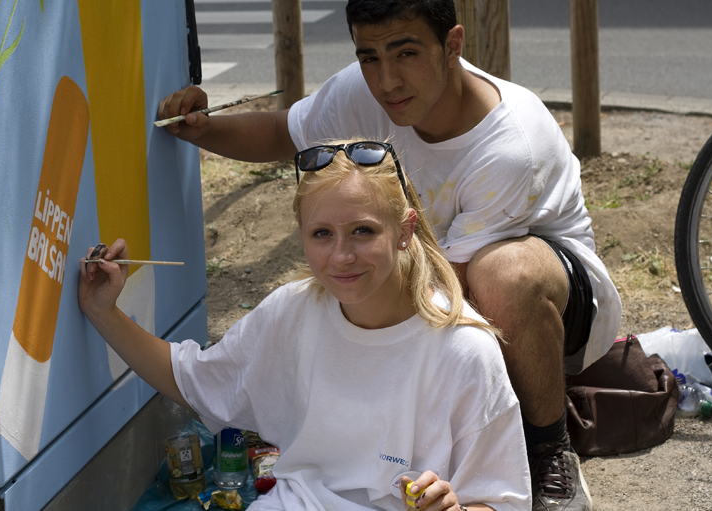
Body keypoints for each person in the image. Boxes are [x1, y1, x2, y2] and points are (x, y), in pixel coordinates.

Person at [157, 0, 620, 511]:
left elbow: (452, 293)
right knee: (342, 282)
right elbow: (284, 133)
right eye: (369, 57)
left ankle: (550, 454)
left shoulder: (511, 142)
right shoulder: (365, 89)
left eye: (406, 53)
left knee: (497, 276)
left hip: (553, 304)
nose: (387, 81)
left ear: (452, 44)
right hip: (424, 268)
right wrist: (202, 131)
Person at [78, 140, 531, 511]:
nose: (340, 257)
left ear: (405, 230)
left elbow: (502, 501)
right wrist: (104, 311)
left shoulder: (464, 351)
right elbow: (192, 376)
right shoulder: (293, 312)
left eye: (363, 231)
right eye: (322, 234)